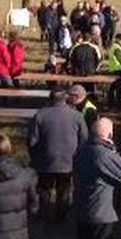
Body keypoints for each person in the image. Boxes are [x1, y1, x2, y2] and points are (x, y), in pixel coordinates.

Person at [27, 88, 88, 221]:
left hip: (45, 160)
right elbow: (84, 139)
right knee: (65, 189)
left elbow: (32, 141)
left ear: (49, 99)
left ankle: (45, 214)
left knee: (44, 188)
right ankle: (61, 216)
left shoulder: (40, 115)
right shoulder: (77, 116)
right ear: (65, 99)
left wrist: (35, 157)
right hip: (69, 161)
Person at [106, 33, 121, 106]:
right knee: (119, 87)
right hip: (119, 69)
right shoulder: (117, 48)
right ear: (118, 39)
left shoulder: (113, 47)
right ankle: (119, 103)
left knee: (113, 87)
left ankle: (111, 101)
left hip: (114, 69)